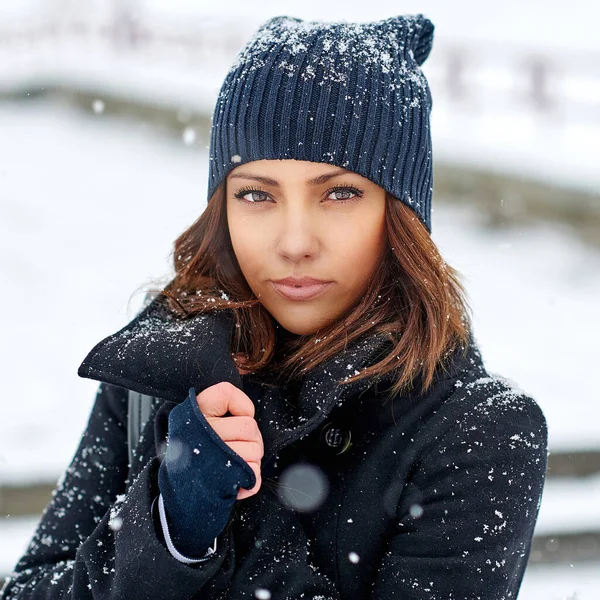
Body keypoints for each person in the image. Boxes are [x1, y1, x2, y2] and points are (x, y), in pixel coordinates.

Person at [1, 13, 548, 600]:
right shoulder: (160, 372)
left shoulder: (478, 431)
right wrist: (168, 526)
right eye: (257, 194)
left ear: (401, 217)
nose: (293, 243)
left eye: (339, 193)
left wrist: (232, 525)